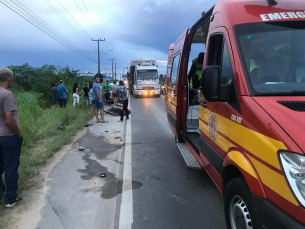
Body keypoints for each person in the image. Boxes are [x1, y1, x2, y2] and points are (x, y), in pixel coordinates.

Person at [0, 68, 23, 208]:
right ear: (9, 79)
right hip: (8, 137)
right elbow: (9, 120)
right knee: (11, 168)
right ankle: (10, 198)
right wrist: (18, 133)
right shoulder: (7, 95)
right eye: (12, 79)